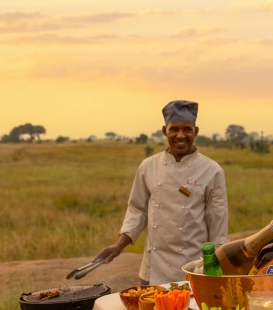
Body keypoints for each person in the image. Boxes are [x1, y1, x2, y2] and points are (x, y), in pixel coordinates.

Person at [92, 100, 229, 285]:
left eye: (187, 129)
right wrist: (118, 246)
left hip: (192, 270)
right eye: (174, 129)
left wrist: (215, 272)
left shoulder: (211, 170)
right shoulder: (148, 166)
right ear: (165, 130)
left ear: (195, 131)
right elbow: (137, 210)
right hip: (152, 271)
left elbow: (218, 226)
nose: (180, 135)